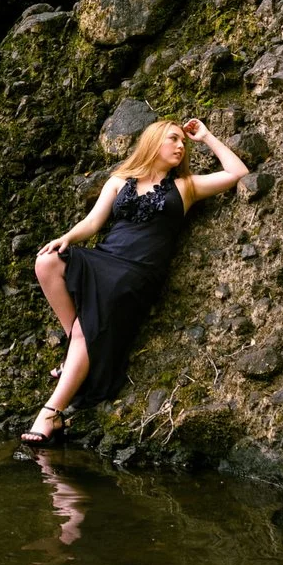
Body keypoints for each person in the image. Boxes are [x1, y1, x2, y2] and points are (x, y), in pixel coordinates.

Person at [22, 117, 252, 445]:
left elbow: (237, 173)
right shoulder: (120, 180)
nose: (180, 146)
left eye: (182, 142)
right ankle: (75, 339)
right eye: (173, 139)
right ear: (152, 142)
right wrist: (67, 238)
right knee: (46, 262)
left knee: (92, 322)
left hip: (137, 272)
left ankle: (49, 414)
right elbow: (92, 222)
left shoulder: (186, 186)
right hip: (105, 258)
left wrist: (207, 137)